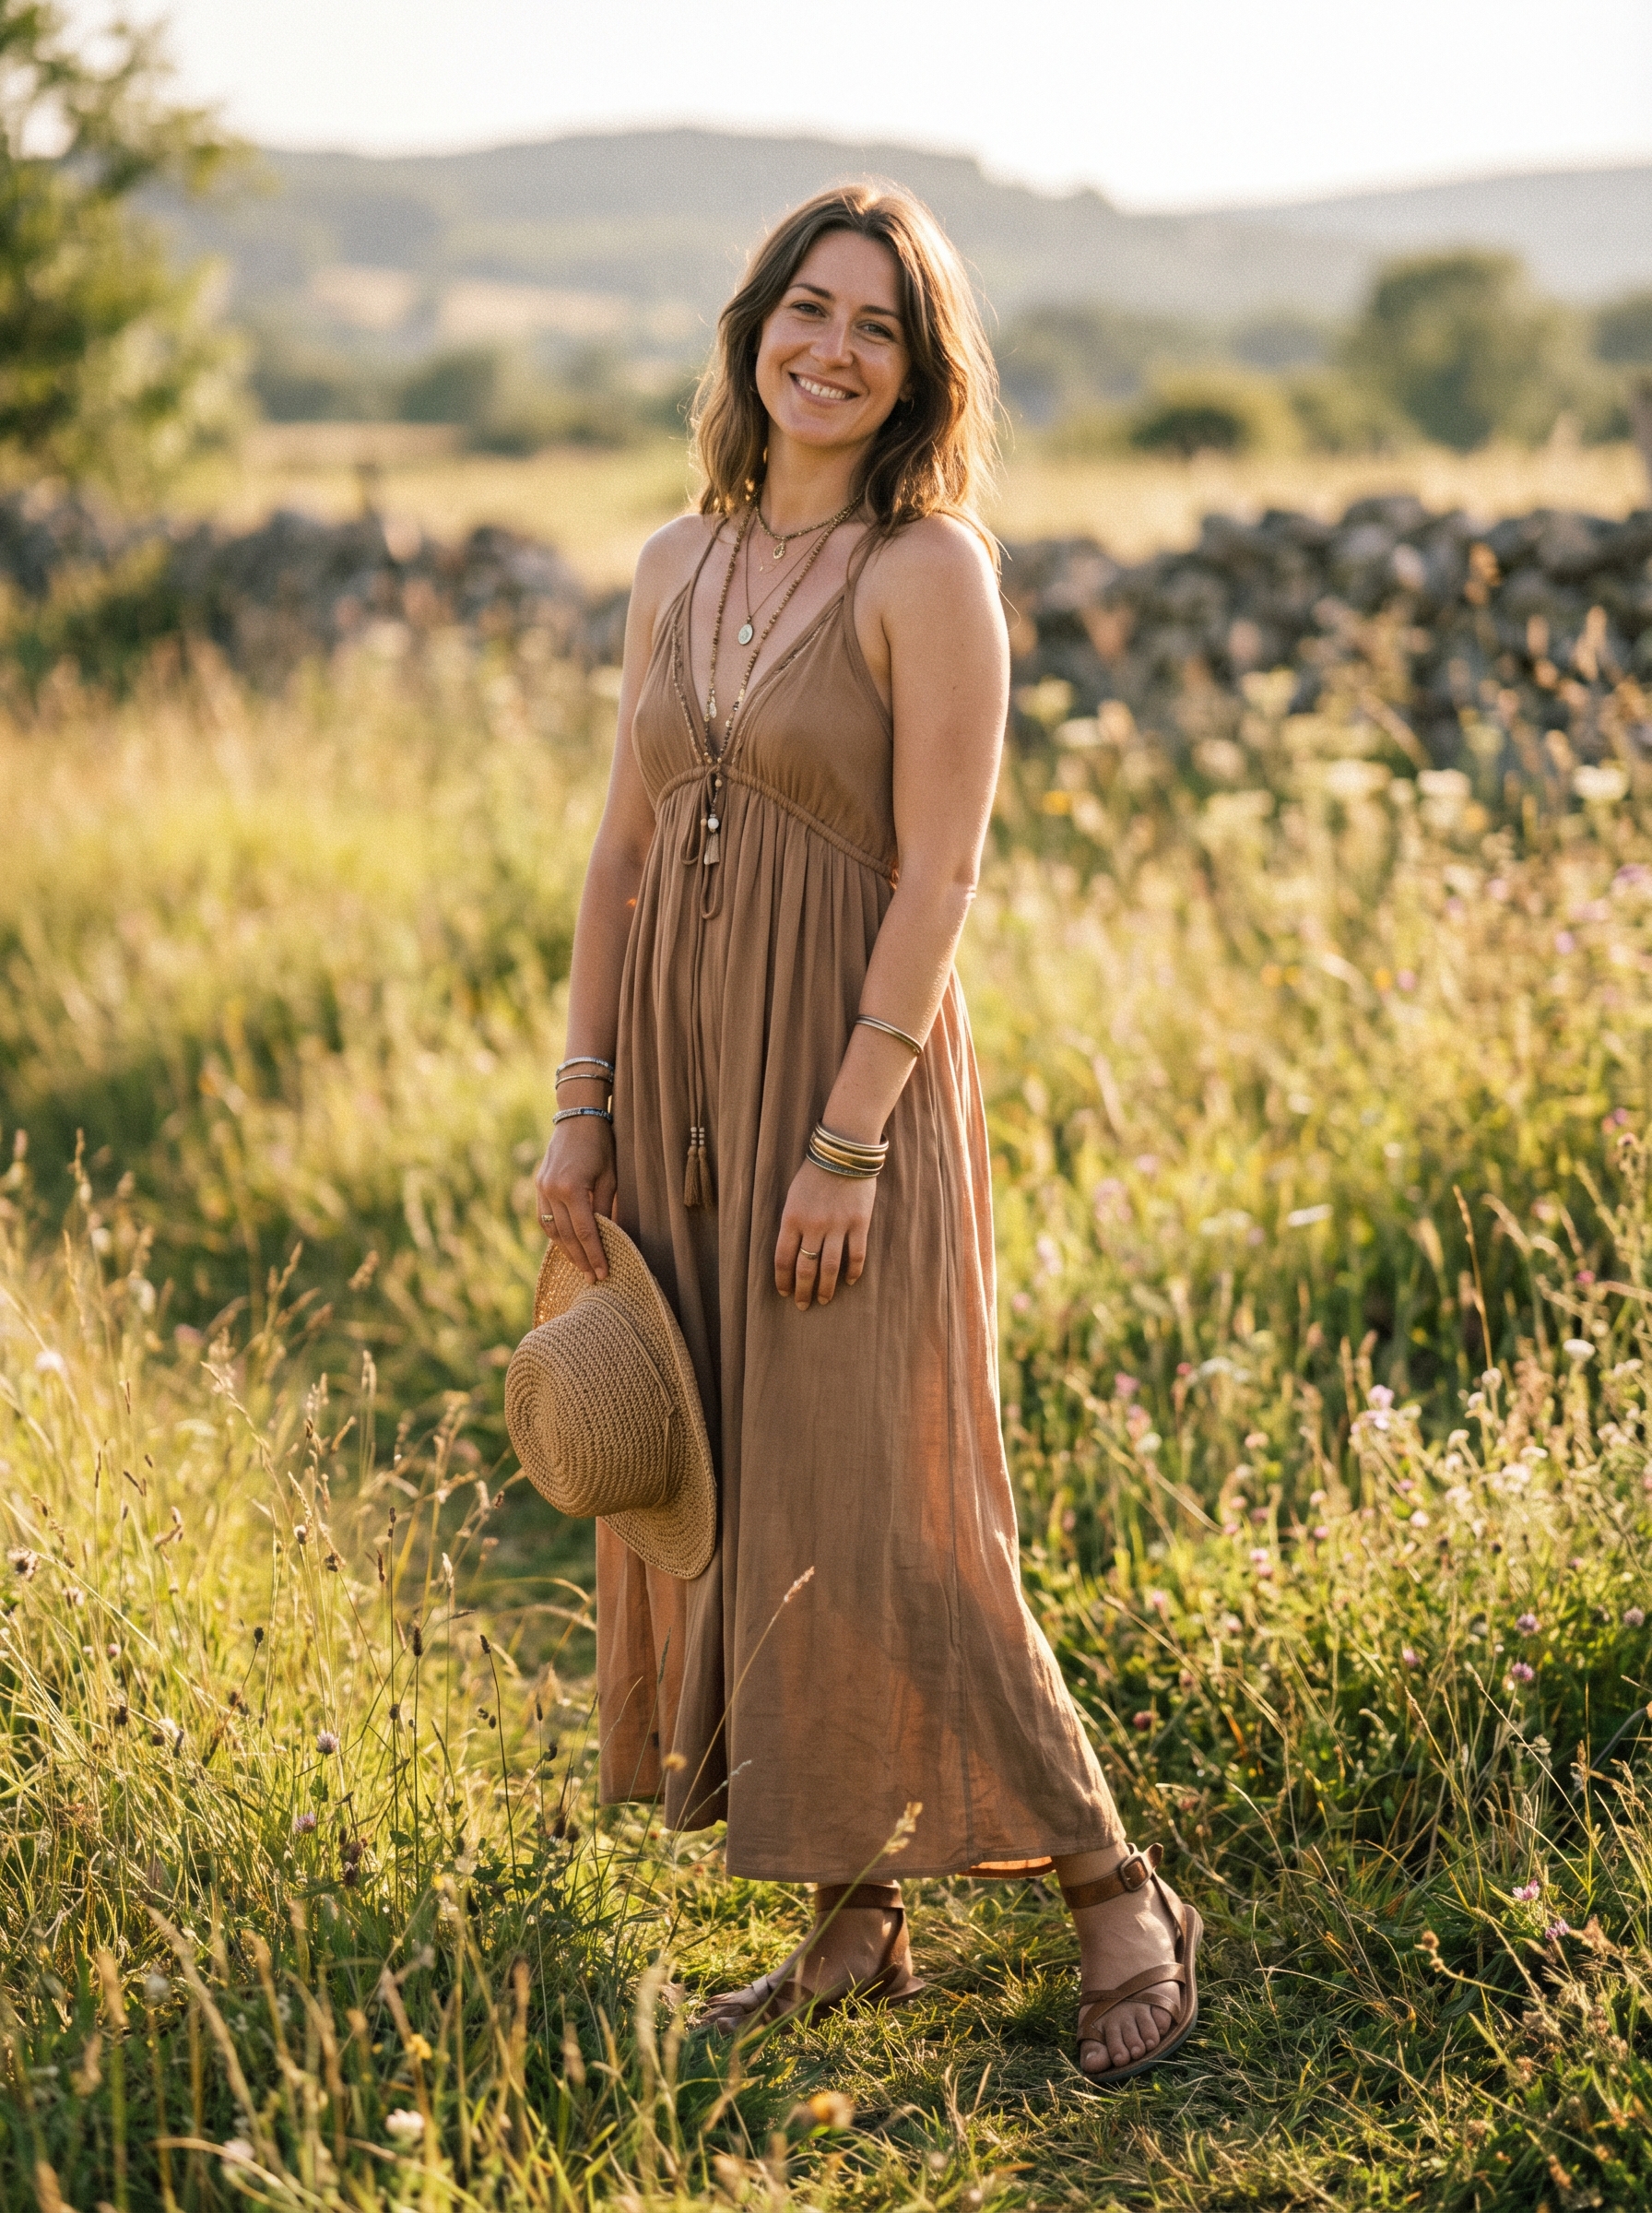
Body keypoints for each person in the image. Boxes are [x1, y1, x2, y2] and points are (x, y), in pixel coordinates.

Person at [532, 182, 1200, 2081]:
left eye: (875, 326)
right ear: (752, 328)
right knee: (742, 1484)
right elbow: (620, 851)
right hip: (671, 1077)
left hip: (850, 1086)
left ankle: (1107, 1881)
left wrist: (843, 1139)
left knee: (895, 1505)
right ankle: (852, 1915)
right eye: (804, 309)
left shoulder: (930, 573)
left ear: (916, 373)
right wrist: (577, 1104)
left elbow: (940, 872)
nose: (829, 346)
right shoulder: (678, 562)